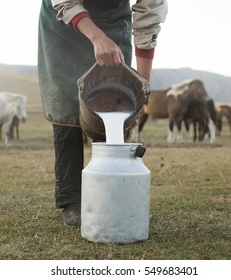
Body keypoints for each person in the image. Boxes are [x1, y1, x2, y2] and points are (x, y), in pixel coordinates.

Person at [38, 0, 168, 226]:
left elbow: (148, 19)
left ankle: (110, 193)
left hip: (113, 21)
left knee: (118, 97)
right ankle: (72, 200)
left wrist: (142, 89)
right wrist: (97, 38)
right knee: (67, 104)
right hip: (65, 24)